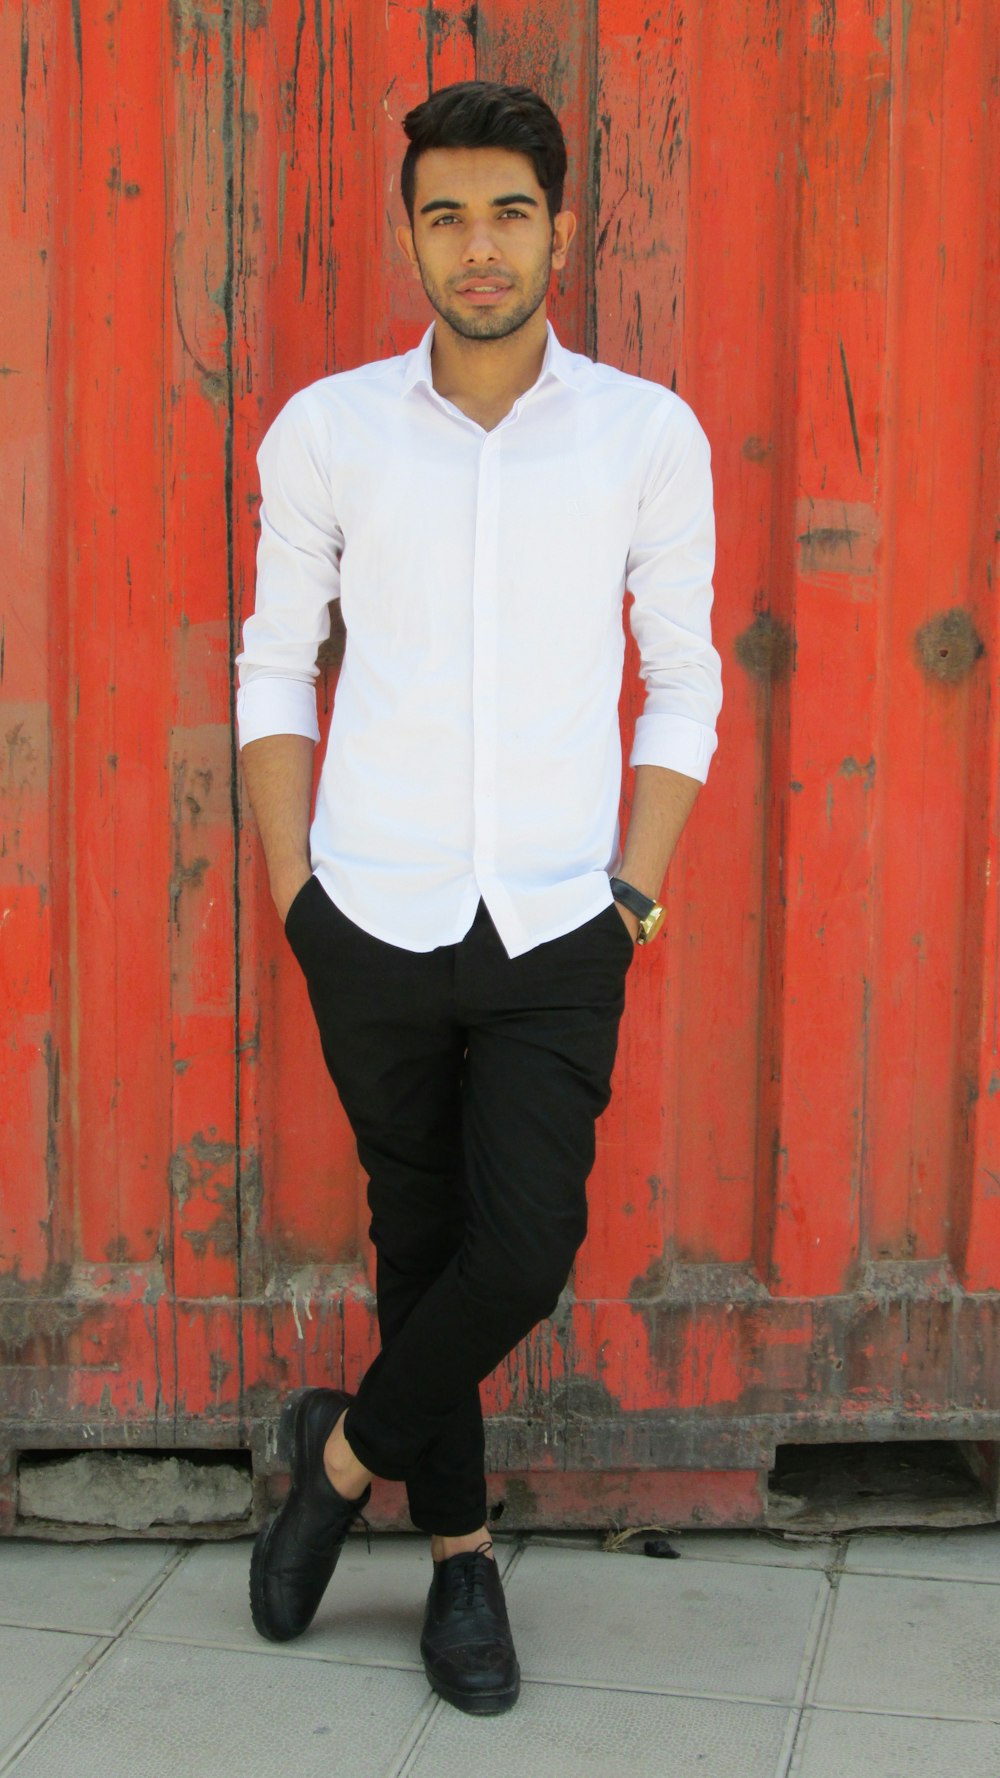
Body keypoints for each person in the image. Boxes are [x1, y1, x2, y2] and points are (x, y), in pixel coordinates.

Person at [235, 79, 722, 1716]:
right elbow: (273, 668)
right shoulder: (327, 430)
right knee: (418, 1236)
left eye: (510, 210)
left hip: (559, 922)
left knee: (520, 1246)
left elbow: (681, 685)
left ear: (562, 226)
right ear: (409, 234)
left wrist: (632, 899)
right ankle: (461, 1562)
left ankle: (340, 1454)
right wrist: (298, 891)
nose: (479, 245)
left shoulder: (646, 436)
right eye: (445, 213)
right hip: (365, 908)